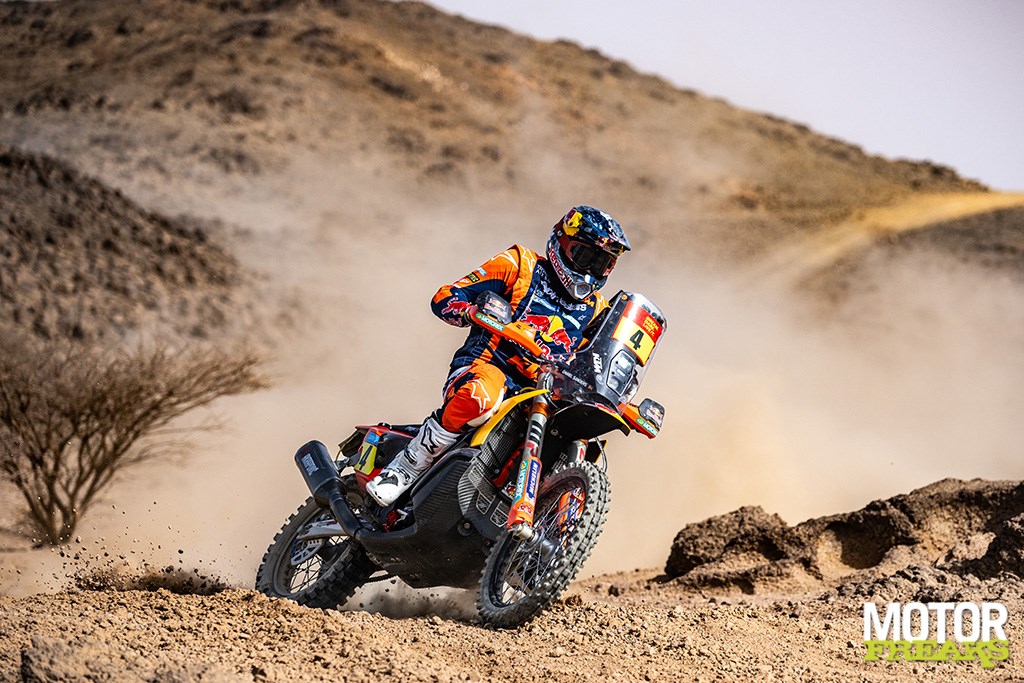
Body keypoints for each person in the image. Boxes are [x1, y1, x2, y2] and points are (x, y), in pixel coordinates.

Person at [365, 206, 631, 506]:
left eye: (601, 263)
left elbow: (597, 363)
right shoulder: (520, 264)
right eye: (585, 256)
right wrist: (470, 311)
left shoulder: (598, 310)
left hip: (543, 396)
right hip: (486, 369)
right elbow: (446, 296)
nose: (589, 270)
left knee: (580, 430)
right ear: (562, 242)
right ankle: (407, 465)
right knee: (482, 396)